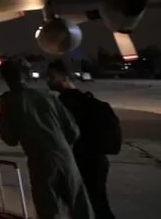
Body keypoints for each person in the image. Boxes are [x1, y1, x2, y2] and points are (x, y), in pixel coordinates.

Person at [0, 59, 93, 219]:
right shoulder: (48, 96)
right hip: (65, 157)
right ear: (25, 75)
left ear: (5, 78)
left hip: (40, 162)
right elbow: (73, 132)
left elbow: (10, 140)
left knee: (49, 211)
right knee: (80, 207)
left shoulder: (7, 102)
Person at [47, 59, 116, 219]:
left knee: (90, 206)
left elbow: (64, 135)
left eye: (52, 77)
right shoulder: (86, 100)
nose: (48, 80)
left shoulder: (63, 103)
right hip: (98, 160)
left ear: (65, 77)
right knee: (97, 203)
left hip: (81, 161)